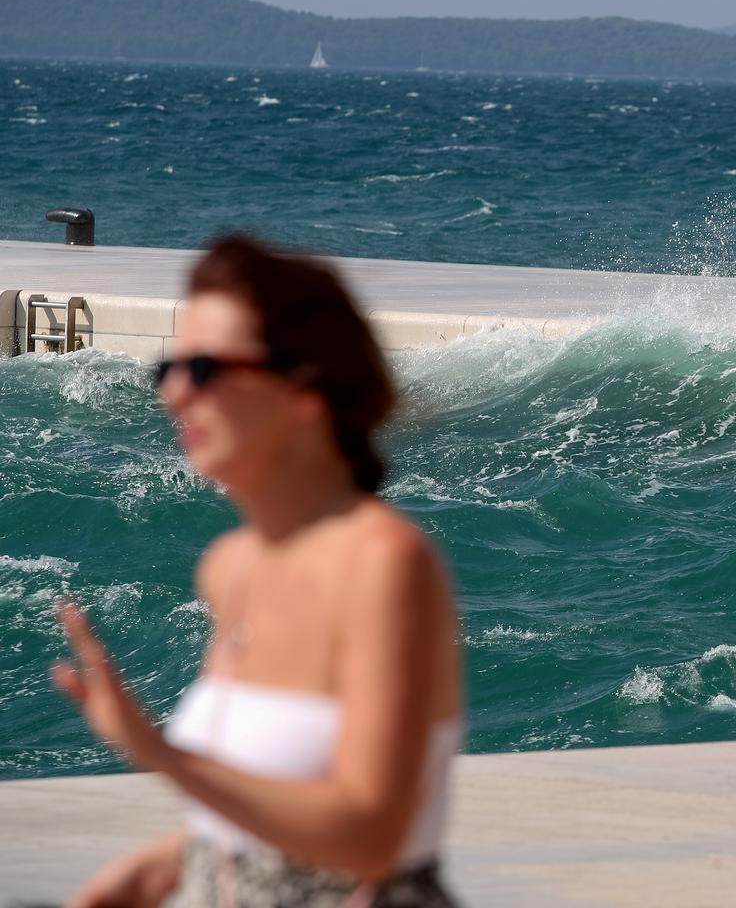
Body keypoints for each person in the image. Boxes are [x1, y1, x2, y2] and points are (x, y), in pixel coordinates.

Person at [53, 234, 464, 907]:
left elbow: (370, 839)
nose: (176, 394)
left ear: (305, 388)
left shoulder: (384, 565)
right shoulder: (231, 567)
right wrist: (156, 871)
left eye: (207, 370)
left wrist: (161, 754)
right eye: (170, 368)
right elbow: (256, 827)